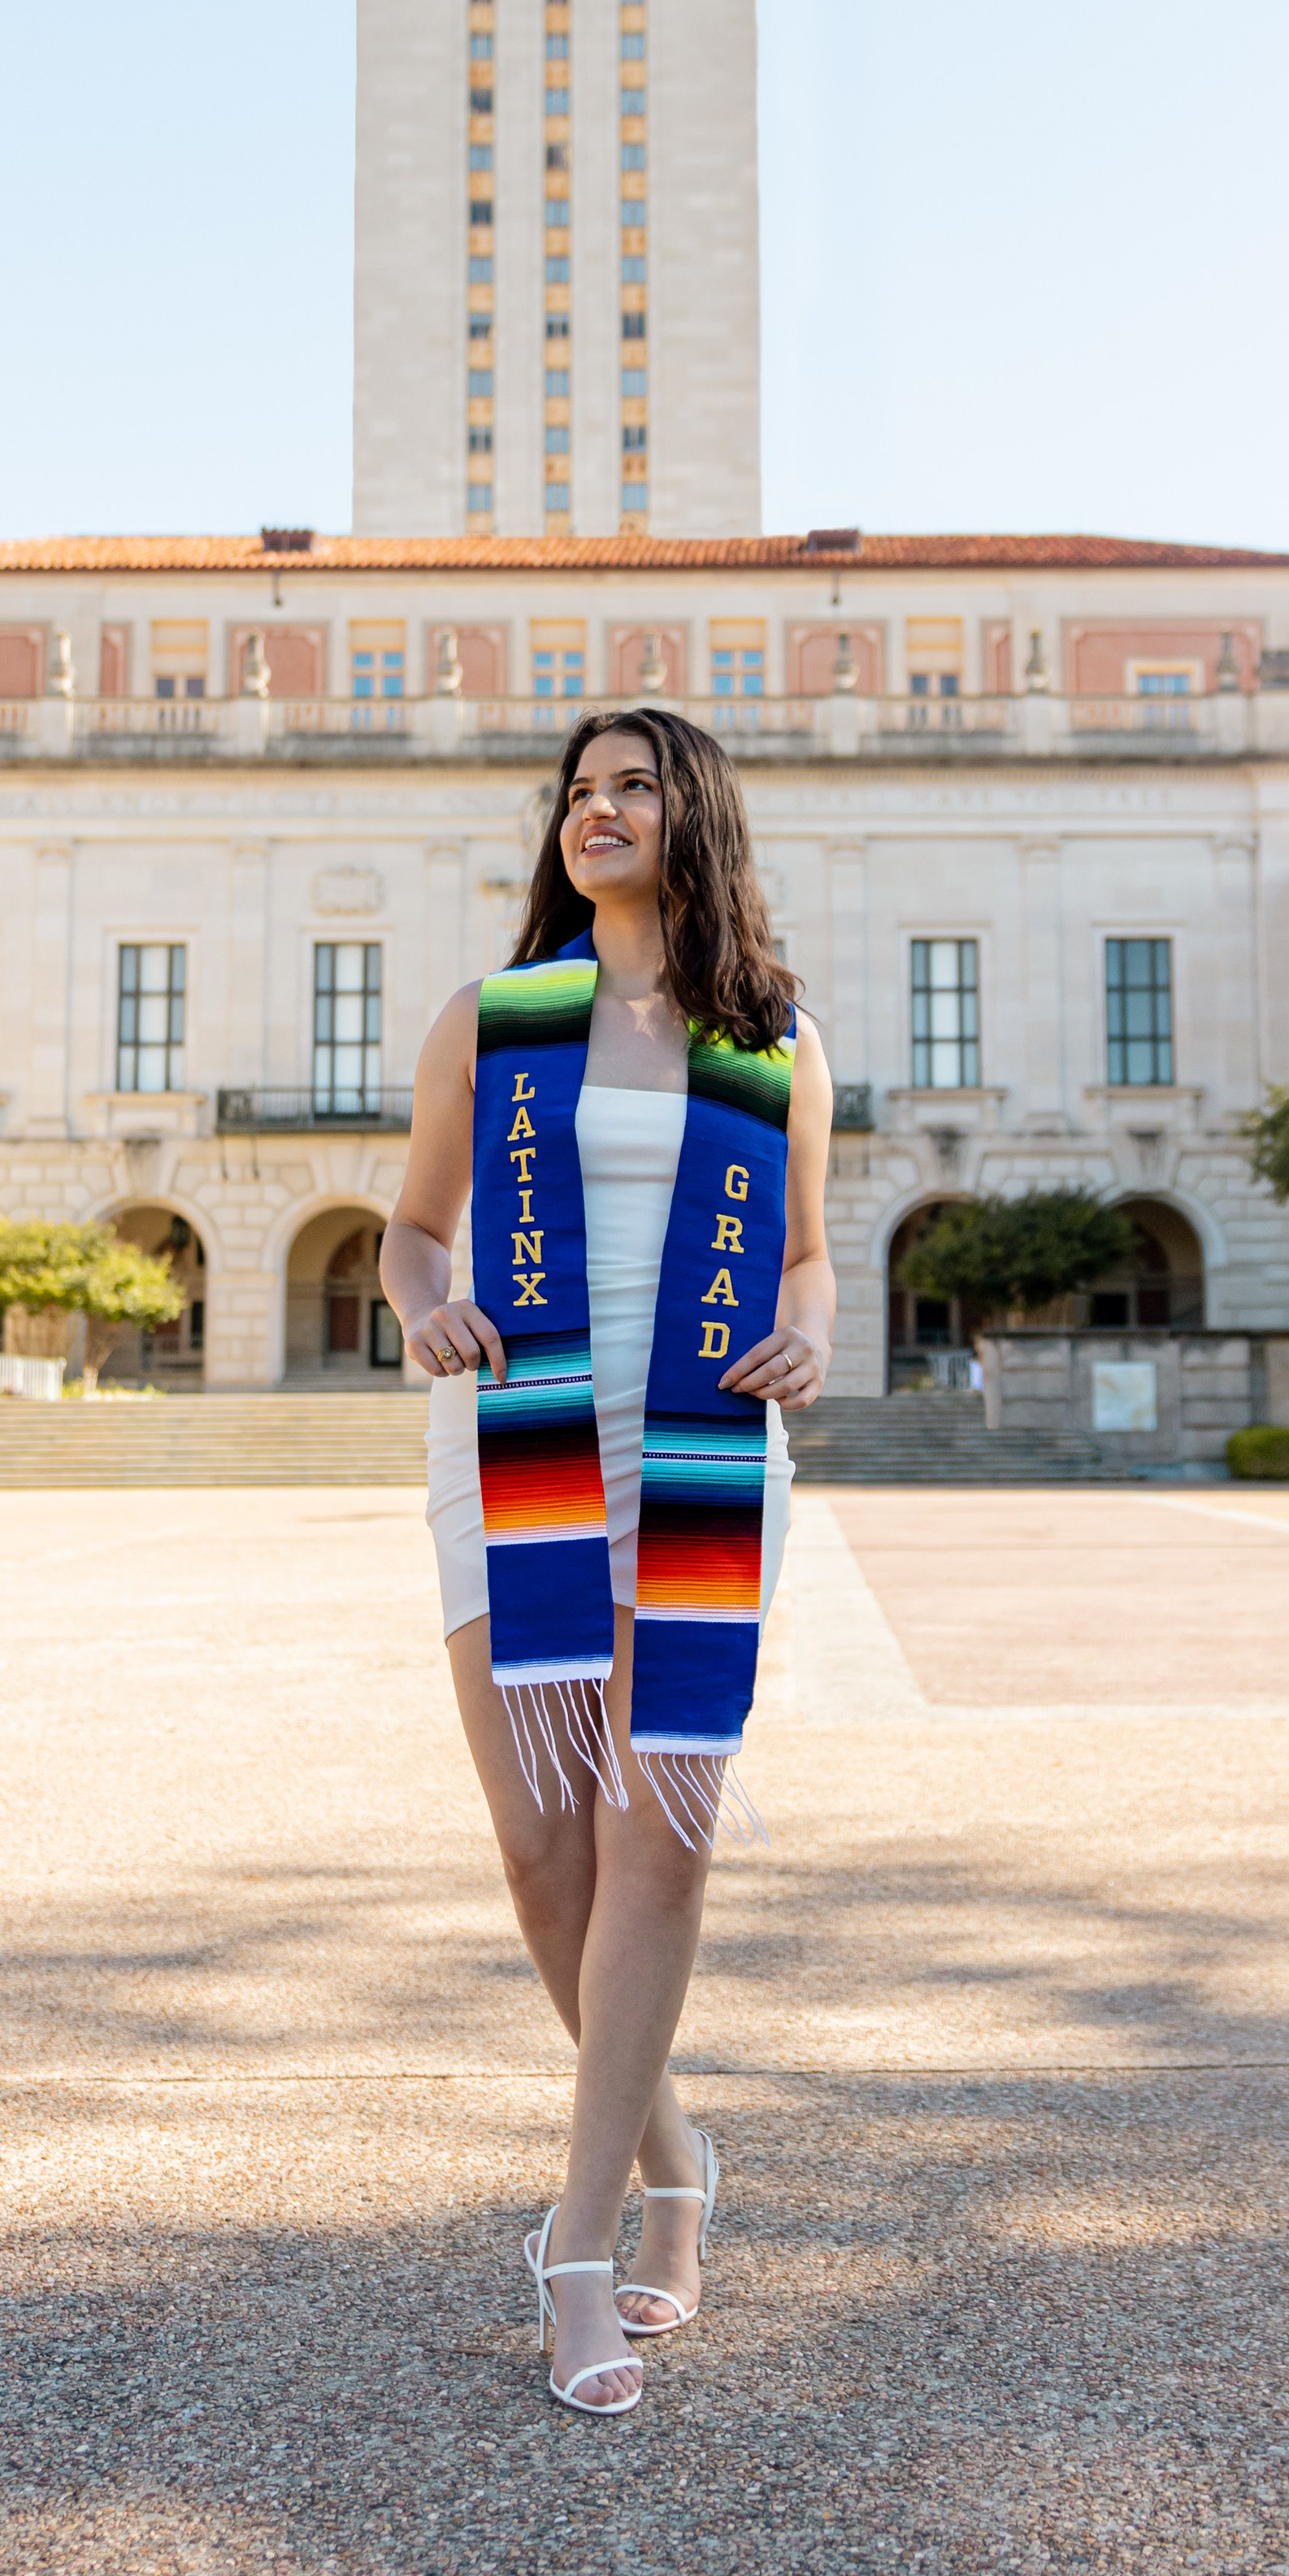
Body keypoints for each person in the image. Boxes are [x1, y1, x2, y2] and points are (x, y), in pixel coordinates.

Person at [380, 709, 835, 2416]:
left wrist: (802, 1338)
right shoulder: (491, 1024)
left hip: (707, 1453)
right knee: (537, 1854)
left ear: (690, 815)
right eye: (578, 792)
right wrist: (428, 1310)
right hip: (511, 1443)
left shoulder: (771, 1042)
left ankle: (583, 2243)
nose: (597, 811)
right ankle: (676, 2151)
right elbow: (412, 1227)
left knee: (659, 1853)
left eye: (631, 786)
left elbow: (805, 1259)